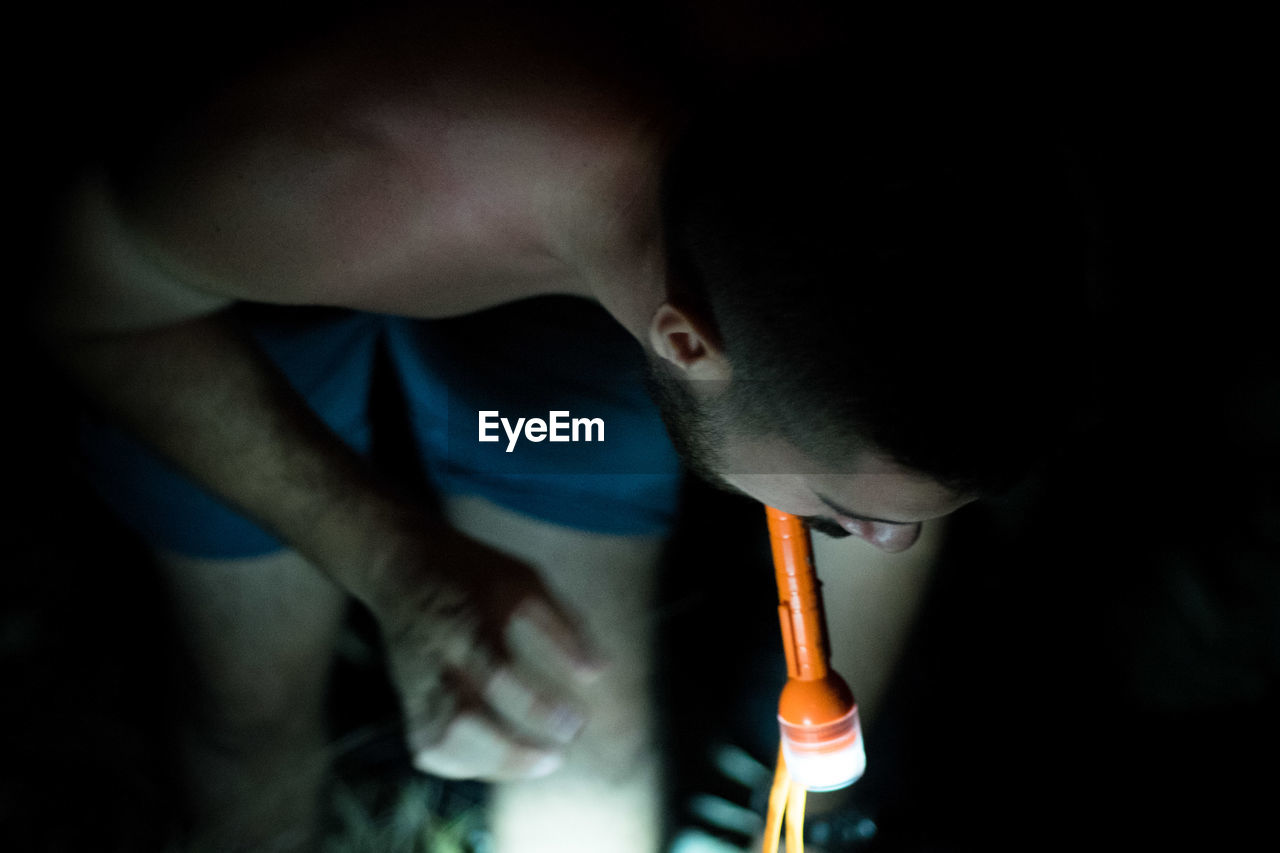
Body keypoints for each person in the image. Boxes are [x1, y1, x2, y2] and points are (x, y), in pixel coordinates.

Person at [37, 3, 1092, 850]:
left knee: (573, 730)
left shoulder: (881, 178)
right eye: (843, 510)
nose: (892, 541)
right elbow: (72, 301)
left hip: (562, 330)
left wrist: (792, 806)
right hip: (208, 299)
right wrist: (392, 561)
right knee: (251, 717)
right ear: (684, 344)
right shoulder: (348, 160)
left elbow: (894, 457)